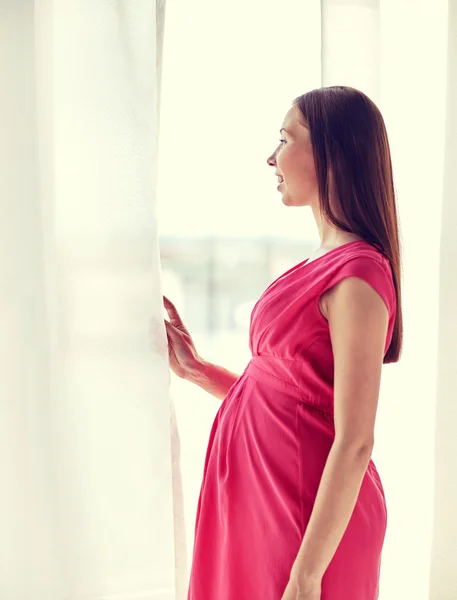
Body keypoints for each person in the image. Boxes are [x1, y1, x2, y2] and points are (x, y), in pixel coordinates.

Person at [161, 86, 402, 600]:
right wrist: (198, 370)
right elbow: (288, 403)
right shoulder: (324, 261)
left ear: (332, 154)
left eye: (285, 138)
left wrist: (307, 573)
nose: (271, 157)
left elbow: (355, 438)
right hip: (265, 507)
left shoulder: (358, 276)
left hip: (303, 521)